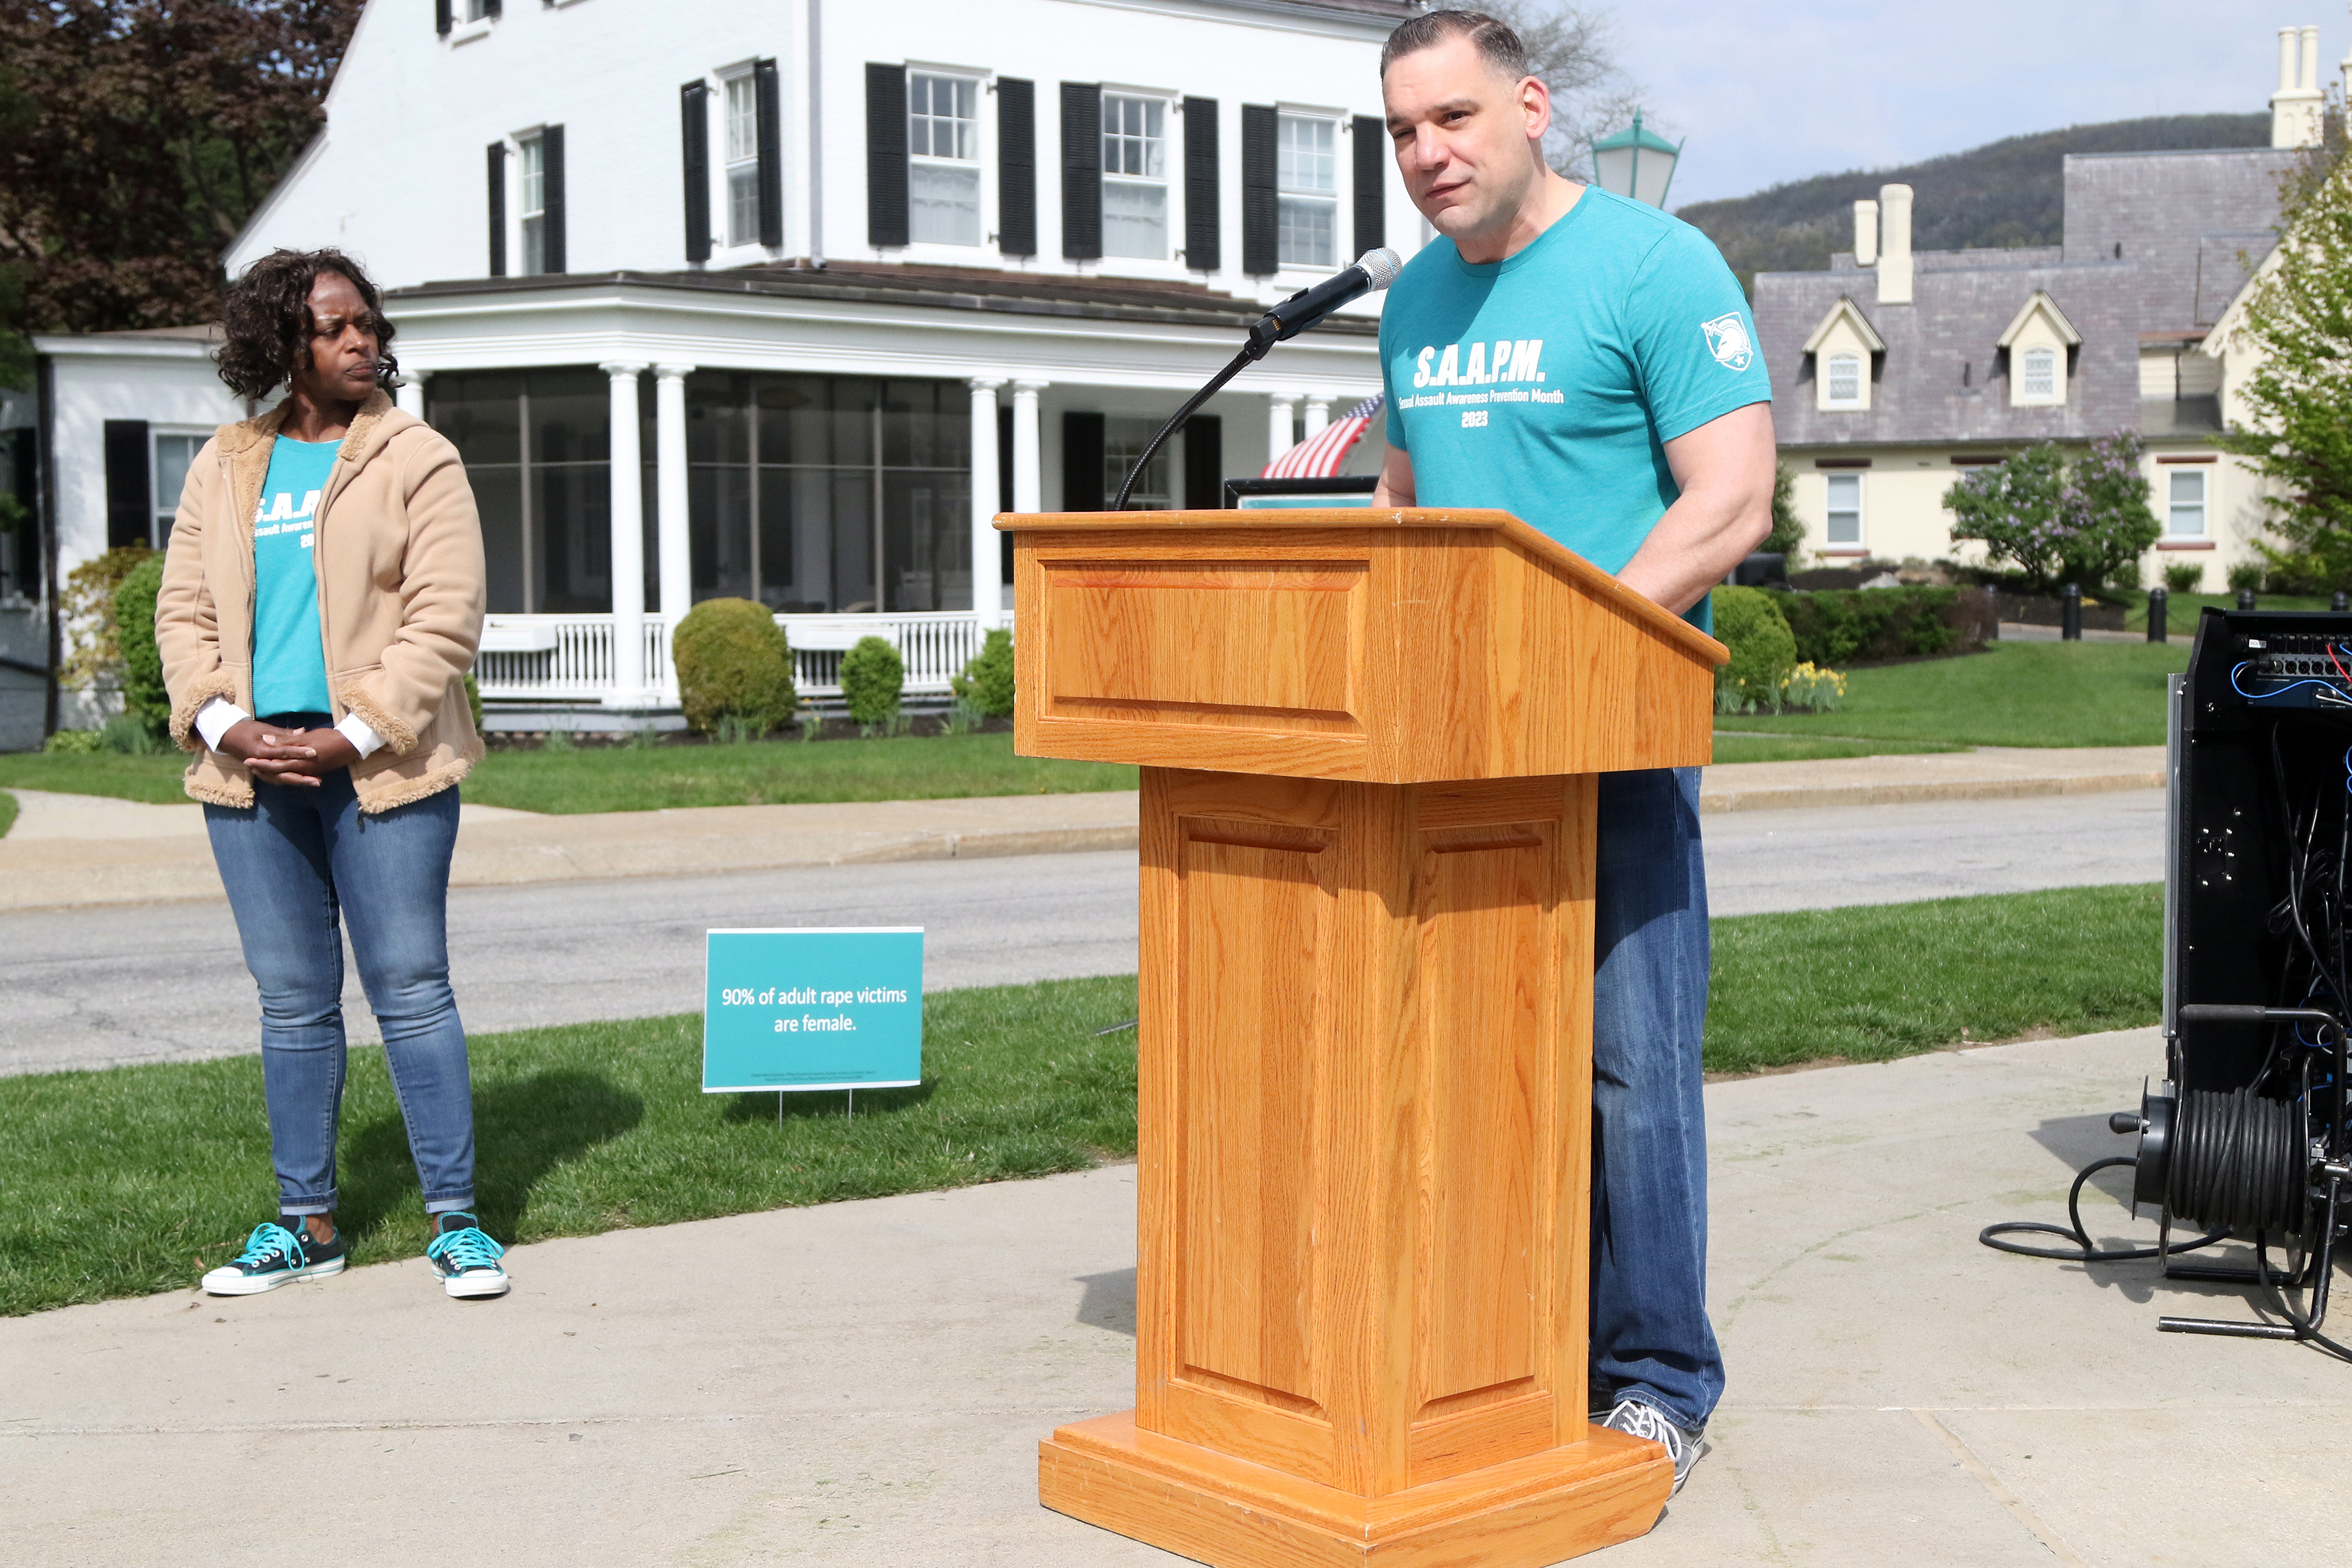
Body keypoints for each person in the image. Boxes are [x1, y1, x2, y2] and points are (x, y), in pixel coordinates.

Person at [1373, 12, 1777, 1496]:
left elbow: (1729, 501)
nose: (1430, 155)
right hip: (1450, 766)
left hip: (1610, 744)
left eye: (1457, 119)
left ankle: (1662, 1380)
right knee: (1471, 1069)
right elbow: (1409, 519)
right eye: (1406, 131)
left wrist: (1554, 652)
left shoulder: (1656, 266)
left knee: (1629, 1073)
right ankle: (1510, 1350)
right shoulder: (1413, 300)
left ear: (1533, 107)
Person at [156, 248, 510, 1301]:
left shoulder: (416, 456)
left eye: (367, 324)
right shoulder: (225, 461)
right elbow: (184, 614)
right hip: (251, 769)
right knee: (293, 1002)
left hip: (381, 766)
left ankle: (456, 1221)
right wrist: (224, 723)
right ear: (281, 343)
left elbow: (446, 617)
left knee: (409, 988)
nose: (360, 342)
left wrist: (347, 736)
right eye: (332, 327)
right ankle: (305, 1223)